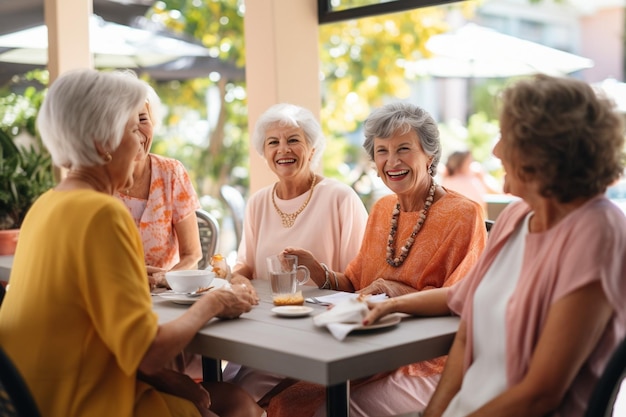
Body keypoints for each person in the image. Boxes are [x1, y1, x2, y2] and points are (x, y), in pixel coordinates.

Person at [0, 69, 264, 417]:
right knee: (243, 409)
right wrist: (214, 302)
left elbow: (102, 334)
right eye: (131, 131)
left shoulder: (45, 205)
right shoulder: (102, 213)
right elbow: (148, 352)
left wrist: (170, 380)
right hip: (89, 403)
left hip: (33, 399)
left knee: (232, 399)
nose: (141, 142)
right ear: (102, 144)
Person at [363, 74, 626, 417]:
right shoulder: (517, 216)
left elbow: (539, 395)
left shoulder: (598, 230)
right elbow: (465, 309)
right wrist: (392, 306)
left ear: (546, 149)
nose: (495, 150)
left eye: (506, 137)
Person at [267, 102, 487, 417]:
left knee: (323, 410)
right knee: (286, 401)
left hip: (430, 360)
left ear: (430, 155)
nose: (392, 161)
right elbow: (356, 284)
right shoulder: (384, 209)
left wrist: (396, 292)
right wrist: (320, 272)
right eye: (382, 151)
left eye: (404, 149)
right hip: (370, 349)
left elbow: (463, 301)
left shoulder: (464, 214)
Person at [224, 102, 369, 402]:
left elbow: (362, 283)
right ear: (264, 153)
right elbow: (244, 267)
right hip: (262, 331)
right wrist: (234, 281)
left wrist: (318, 271)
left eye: (293, 140)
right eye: (272, 143)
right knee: (220, 394)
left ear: (312, 149)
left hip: (319, 338)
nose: (283, 150)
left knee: (240, 397)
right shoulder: (259, 202)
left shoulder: (340, 198)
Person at [114, 77, 202, 290]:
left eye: (143, 119)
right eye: (124, 122)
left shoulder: (172, 172)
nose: (136, 130)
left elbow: (193, 255)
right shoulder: (96, 181)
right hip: (115, 293)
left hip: (166, 295)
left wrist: (166, 279)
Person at [440, 150, 501, 215]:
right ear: (459, 162)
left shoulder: (475, 176)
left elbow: (495, 191)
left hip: (478, 216)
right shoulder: (449, 179)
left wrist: (482, 177)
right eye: (468, 161)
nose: (470, 163)